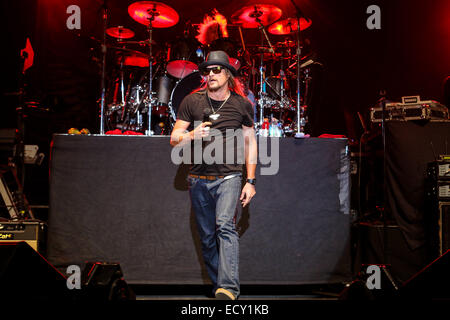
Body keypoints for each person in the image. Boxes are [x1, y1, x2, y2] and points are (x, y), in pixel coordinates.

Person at [170, 51, 257, 300]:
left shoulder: (241, 104)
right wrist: (190, 136)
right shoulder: (192, 101)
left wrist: (250, 181)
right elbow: (174, 139)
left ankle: (228, 288)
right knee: (207, 238)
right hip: (198, 179)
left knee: (224, 227)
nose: (211, 74)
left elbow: (251, 143)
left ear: (228, 74)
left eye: (217, 70)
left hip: (229, 177)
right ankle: (220, 283)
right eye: (207, 71)